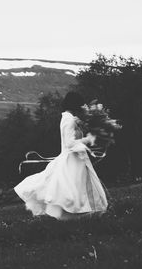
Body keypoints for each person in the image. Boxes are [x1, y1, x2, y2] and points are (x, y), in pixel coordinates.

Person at [14, 91, 108, 220]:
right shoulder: (69, 120)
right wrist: (87, 140)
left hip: (76, 158)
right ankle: (79, 213)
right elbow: (69, 143)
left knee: (76, 187)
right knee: (72, 188)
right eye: (80, 104)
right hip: (73, 159)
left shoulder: (69, 118)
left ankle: (84, 211)